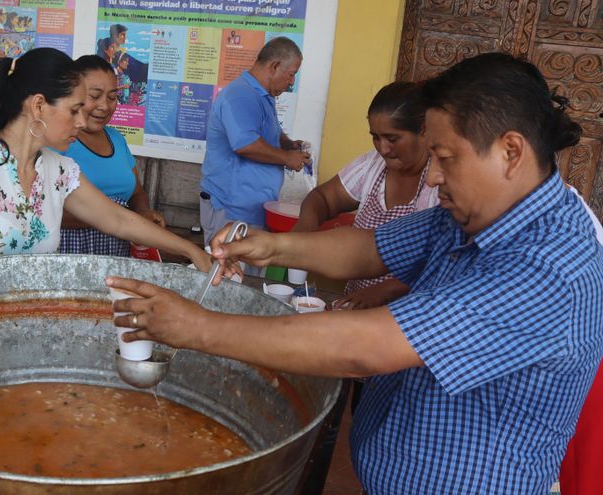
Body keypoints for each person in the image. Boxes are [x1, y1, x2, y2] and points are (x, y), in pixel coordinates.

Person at [107, 52, 603, 494]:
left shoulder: (551, 267)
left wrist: (197, 328)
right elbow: (370, 248)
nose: (432, 176)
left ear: (511, 152)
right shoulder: (472, 216)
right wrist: (274, 243)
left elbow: (365, 348)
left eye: (446, 159)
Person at [0, 48, 210, 306]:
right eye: (74, 110)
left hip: (27, 319)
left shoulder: (57, 170)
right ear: (38, 106)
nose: (81, 121)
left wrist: (189, 251)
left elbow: (118, 219)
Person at [293, 81, 437, 310]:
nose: (382, 148)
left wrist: (385, 289)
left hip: (407, 314)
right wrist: (305, 227)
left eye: (392, 138)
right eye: (375, 137)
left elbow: (443, 259)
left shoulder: (438, 181)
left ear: (423, 130)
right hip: (356, 302)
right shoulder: (372, 165)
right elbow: (323, 198)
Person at [199, 37, 310, 249]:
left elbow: (272, 133)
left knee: (247, 278)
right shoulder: (240, 95)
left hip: (252, 210)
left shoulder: (263, 96)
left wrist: (288, 144)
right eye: (292, 74)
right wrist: (287, 158)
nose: (292, 82)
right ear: (274, 66)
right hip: (231, 211)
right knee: (229, 276)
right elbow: (245, 145)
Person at [59, 55, 163, 257]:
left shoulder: (116, 139)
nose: (104, 106)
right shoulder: (58, 140)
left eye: (112, 97)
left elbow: (136, 192)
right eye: (94, 96)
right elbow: (42, 209)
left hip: (116, 253)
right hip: (69, 254)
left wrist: (142, 213)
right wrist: (114, 216)